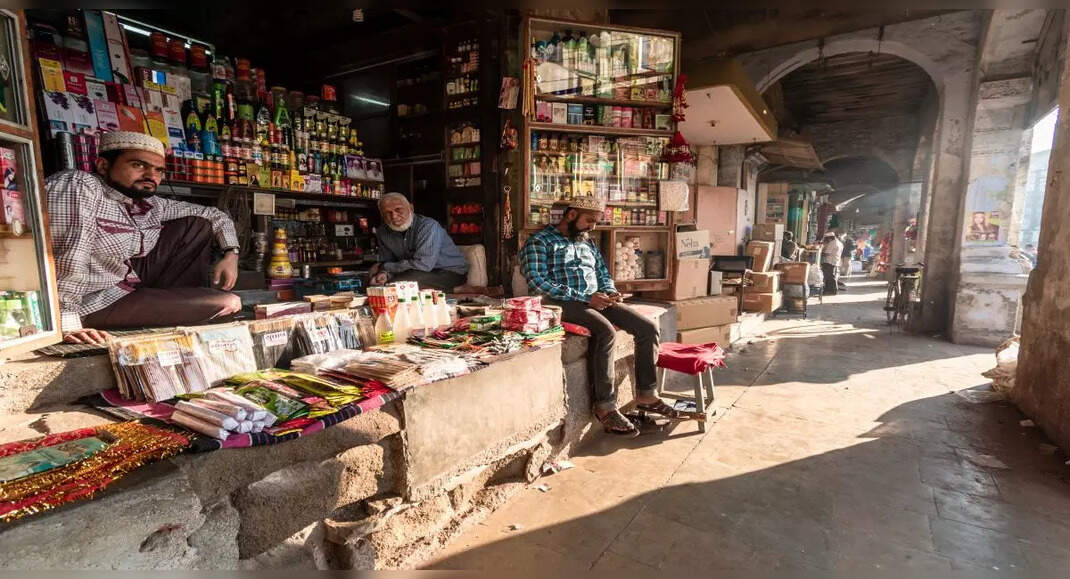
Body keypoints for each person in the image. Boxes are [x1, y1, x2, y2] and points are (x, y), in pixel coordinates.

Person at [47, 131, 242, 346]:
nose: (151, 176)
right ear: (103, 165)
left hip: (125, 287)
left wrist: (231, 253)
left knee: (196, 225)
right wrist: (66, 323)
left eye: (158, 170)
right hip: (92, 302)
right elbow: (67, 257)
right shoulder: (80, 185)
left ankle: (177, 309)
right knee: (227, 303)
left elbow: (215, 215)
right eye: (138, 165)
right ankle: (181, 312)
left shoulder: (150, 204)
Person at [520, 197, 673, 437]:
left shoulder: (587, 243)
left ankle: (646, 393)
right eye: (589, 220)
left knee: (647, 327)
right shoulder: (539, 242)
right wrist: (585, 298)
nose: (593, 226)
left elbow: (602, 272)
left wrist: (610, 290)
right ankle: (605, 406)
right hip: (560, 302)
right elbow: (538, 284)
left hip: (594, 298)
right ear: (571, 216)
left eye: (596, 221)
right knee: (605, 331)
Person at [368, 192, 468, 291]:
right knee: (373, 282)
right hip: (414, 271)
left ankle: (457, 289)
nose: (394, 216)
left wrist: (386, 267)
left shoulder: (428, 226)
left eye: (398, 210)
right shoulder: (382, 232)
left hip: (449, 271)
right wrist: (384, 273)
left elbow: (424, 265)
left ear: (411, 208)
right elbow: (388, 261)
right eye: (388, 213)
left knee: (395, 285)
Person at [820, 231, 843, 295]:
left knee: (830, 276)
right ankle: (829, 289)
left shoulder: (832, 243)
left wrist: (820, 253)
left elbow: (827, 253)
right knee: (830, 276)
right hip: (835, 261)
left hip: (829, 261)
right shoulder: (839, 243)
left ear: (829, 238)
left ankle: (833, 290)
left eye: (827, 239)